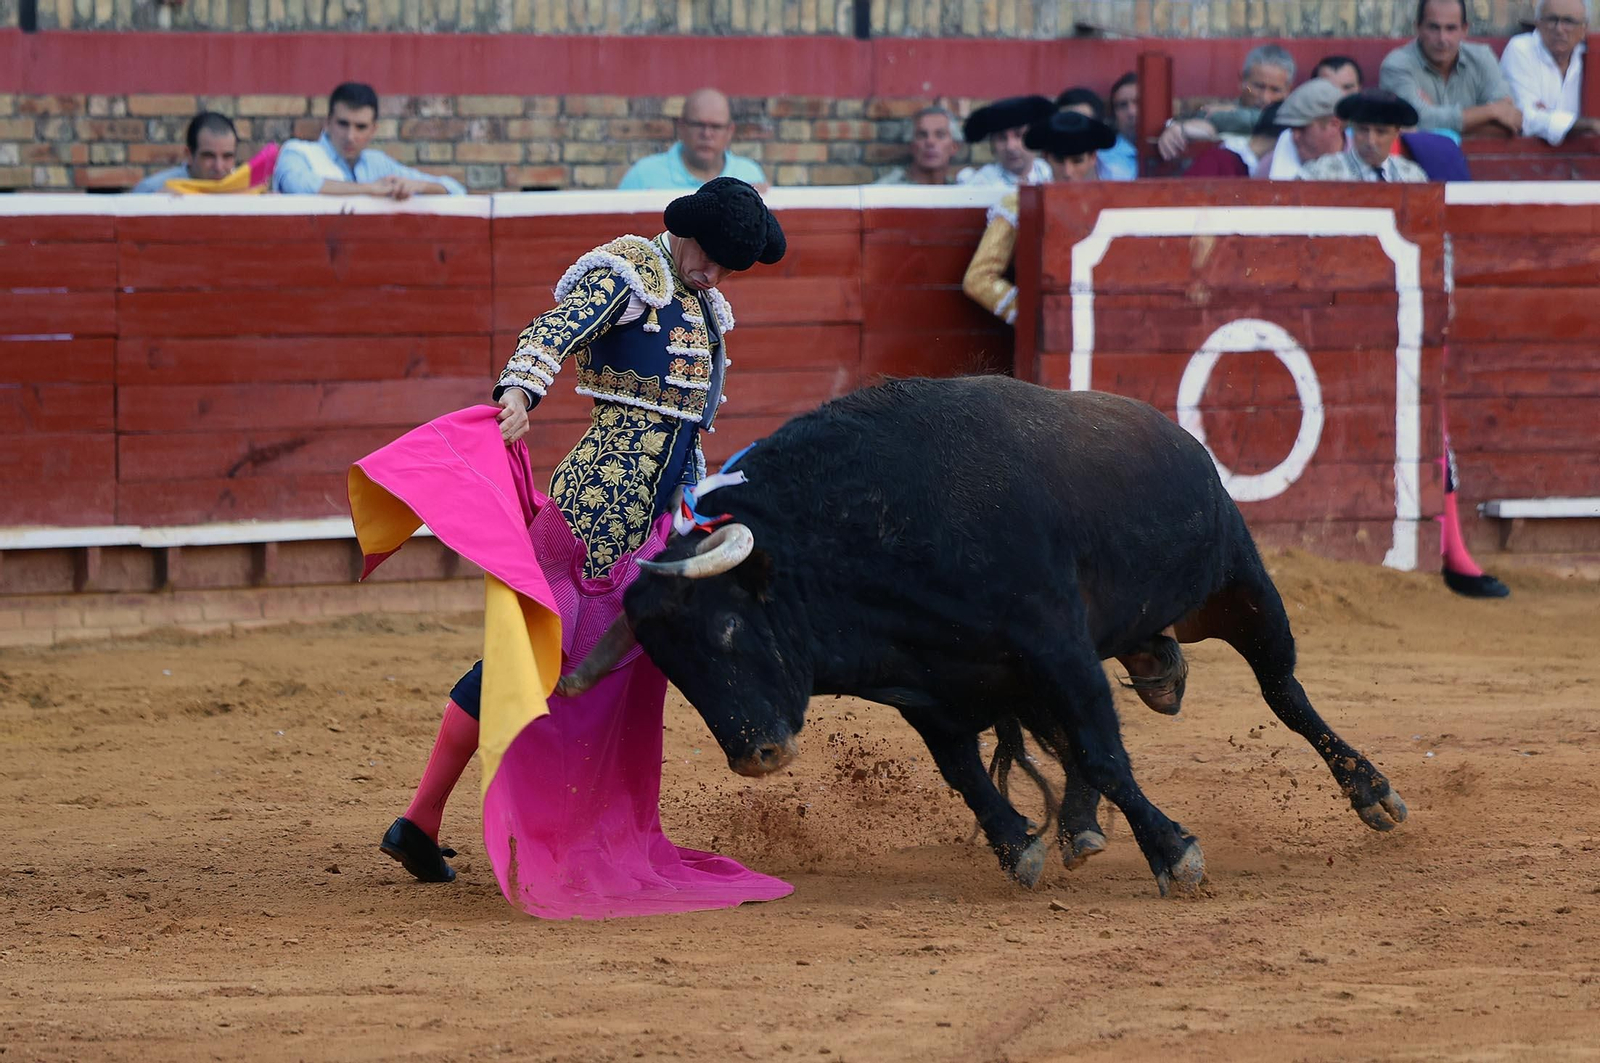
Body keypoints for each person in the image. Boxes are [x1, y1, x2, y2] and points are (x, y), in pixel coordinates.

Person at [376, 178, 787, 905]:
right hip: (590, 515)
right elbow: (554, 329)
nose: (713, 274)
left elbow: (682, 435)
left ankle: (565, 828)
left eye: (728, 267)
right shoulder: (632, 271)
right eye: (710, 258)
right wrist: (518, 392)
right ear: (686, 231)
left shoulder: (701, 306)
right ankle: (421, 815)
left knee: (612, 672)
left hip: (651, 523)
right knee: (532, 658)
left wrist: (686, 512)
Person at [962, 111, 1117, 325]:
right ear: (1046, 157)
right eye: (1060, 160)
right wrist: (1033, 315)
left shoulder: (1114, 204)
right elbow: (978, 278)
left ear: (1093, 158)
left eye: (1077, 160)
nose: (1068, 171)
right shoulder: (1017, 205)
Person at [273, 81, 466, 197]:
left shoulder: (377, 164)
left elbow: (455, 189)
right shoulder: (298, 153)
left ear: (374, 129)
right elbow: (297, 185)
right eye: (343, 124)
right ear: (328, 122)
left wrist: (419, 186)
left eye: (361, 127)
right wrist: (370, 189)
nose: (350, 136)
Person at [1379, 0, 1523, 139]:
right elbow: (1411, 120)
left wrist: (1433, 121)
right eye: (1434, 27)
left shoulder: (1482, 58)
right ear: (1418, 28)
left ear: (1464, 29)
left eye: (1451, 28)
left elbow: (1510, 123)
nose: (1442, 38)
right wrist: (1491, 111)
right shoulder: (1397, 65)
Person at [1157, 44, 1296, 159]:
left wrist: (1229, 115)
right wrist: (1179, 129)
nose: (1266, 98)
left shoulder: (1295, 119)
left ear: (1288, 91)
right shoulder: (1220, 112)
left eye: (1275, 90)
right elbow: (1206, 125)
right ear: (1242, 81)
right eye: (1258, 87)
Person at [618, 88, 767, 190]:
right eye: (698, 125)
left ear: (730, 131)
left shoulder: (749, 176)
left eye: (716, 126)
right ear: (681, 126)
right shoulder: (643, 176)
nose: (707, 134)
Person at [1500, 0, 1600, 145]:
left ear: (1584, 29)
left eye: (1569, 21)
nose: (1559, 29)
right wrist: (1589, 125)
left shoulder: (1591, 55)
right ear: (1538, 24)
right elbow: (1525, 118)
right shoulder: (1520, 49)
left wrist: (1548, 118)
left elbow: (1537, 120)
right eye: (1551, 19)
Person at [1299, 89, 1430, 181]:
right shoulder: (1322, 173)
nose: (1371, 141)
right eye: (1363, 130)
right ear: (1353, 129)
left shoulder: (1412, 175)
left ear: (1396, 133)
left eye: (1381, 132)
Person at [955, 94, 1057, 187]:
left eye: (1019, 135)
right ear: (993, 145)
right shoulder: (981, 183)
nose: (1010, 146)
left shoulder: (1050, 173)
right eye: (1002, 138)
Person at [1260, 78, 1348, 179]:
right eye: (1292, 129)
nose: (1295, 137)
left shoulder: (1364, 159)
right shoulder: (1270, 166)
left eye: (1302, 128)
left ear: (1334, 124)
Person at [875, 105, 962, 185]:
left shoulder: (960, 191)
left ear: (954, 146)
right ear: (911, 146)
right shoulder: (887, 190)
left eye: (940, 135)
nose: (930, 142)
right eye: (922, 135)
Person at [1101, 71, 1141, 180]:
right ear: (1114, 115)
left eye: (1139, 102)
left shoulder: (1174, 147)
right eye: (1123, 105)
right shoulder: (1102, 158)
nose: (1131, 112)